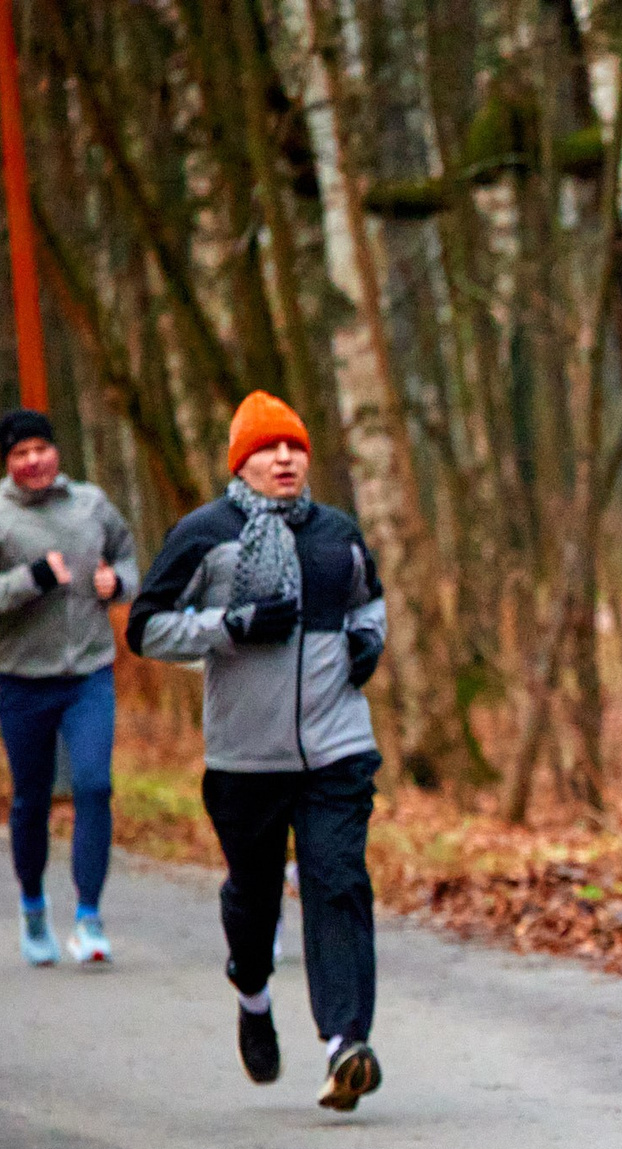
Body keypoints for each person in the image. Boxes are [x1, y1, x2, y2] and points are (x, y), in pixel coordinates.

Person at [130, 392, 389, 1112]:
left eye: (296, 447)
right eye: (269, 449)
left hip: (337, 748)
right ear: (241, 461)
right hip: (245, 757)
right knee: (255, 897)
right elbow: (146, 627)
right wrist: (231, 625)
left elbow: (371, 599)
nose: (285, 458)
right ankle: (252, 990)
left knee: (337, 883)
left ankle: (346, 1043)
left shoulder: (337, 533)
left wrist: (369, 638)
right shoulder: (205, 534)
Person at [0, 408, 139, 967]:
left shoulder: (92, 505)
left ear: (56, 452)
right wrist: (28, 580)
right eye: (19, 453)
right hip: (24, 682)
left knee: (94, 786)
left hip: (89, 675)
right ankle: (33, 904)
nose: (33, 461)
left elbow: (129, 557)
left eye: (40, 449)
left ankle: (89, 918)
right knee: (31, 800)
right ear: (7, 463)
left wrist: (118, 583)